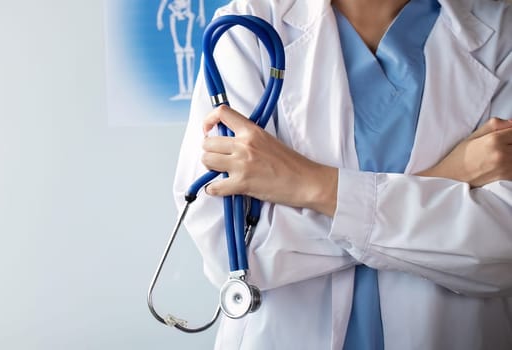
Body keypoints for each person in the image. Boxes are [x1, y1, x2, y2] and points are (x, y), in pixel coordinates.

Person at [173, 0, 512, 348]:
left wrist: (307, 184)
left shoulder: (504, 34)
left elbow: (503, 250)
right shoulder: (246, 31)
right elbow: (233, 251)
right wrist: (444, 179)